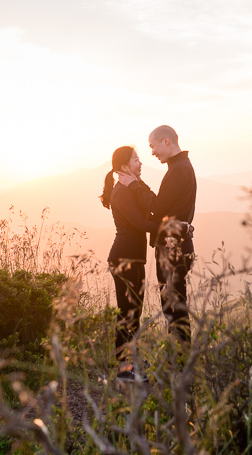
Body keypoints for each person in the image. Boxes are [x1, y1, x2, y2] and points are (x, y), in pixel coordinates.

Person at [118, 125, 197, 346]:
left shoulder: (178, 170)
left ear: (166, 141)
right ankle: (178, 359)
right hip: (179, 245)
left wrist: (134, 184)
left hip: (173, 248)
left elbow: (156, 208)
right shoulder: (181, 167)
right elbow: (162, 205)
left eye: (153, 146)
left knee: (173, 307)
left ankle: (180, 364)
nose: (152, 152)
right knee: (173, 305)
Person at [100, 145, 158, 382]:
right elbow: (141, 224)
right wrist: (176, 228)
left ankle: (131, 359)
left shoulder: (129, 188)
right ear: (124, 166)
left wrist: (136, 181)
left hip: (133, 258)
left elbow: (152, 204)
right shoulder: (121, 193)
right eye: (136, 160)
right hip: (123, 259)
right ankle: (124, 369)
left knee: (135, 310)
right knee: (127, 312)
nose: (140, 163)